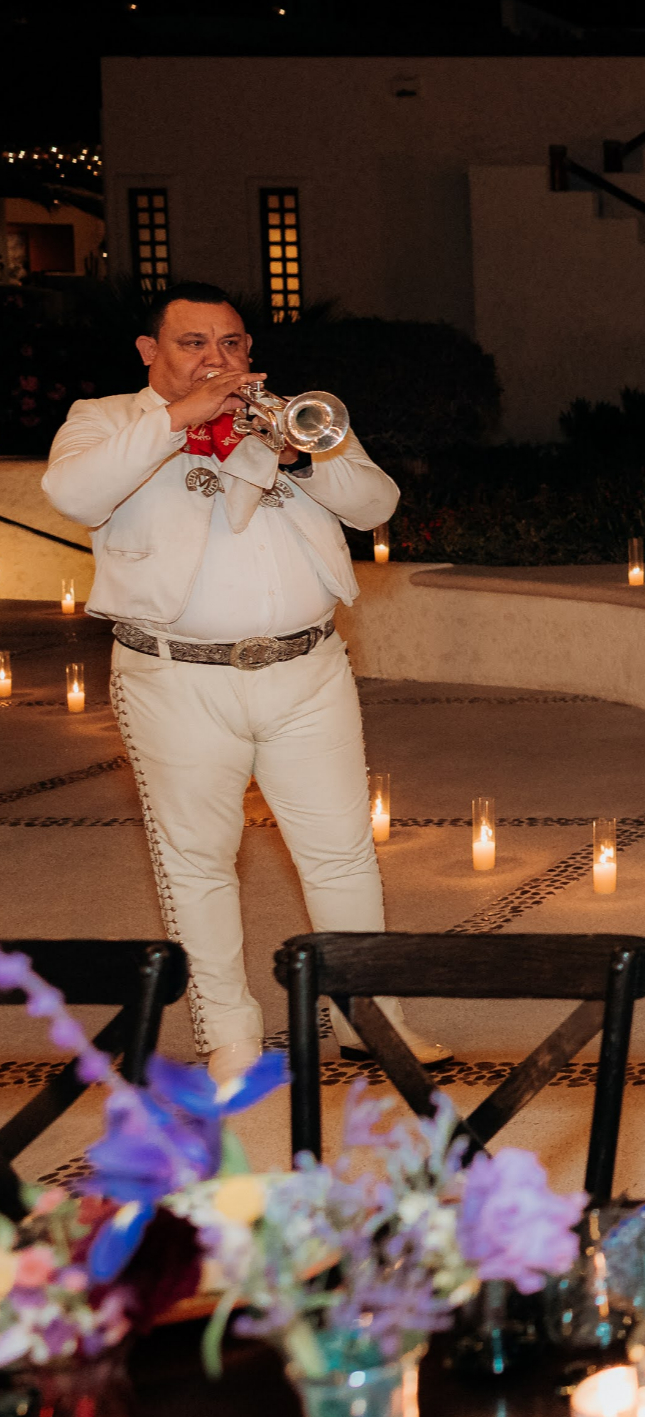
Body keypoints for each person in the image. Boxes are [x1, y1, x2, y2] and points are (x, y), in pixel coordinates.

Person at [44, 283, 446, 1088]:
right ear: (149, 351)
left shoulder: (296, 415)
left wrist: (304, 458)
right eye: (193, 343)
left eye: (230, 343)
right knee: (197, 860)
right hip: (174, 676)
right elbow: (73, 494)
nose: (216, 358)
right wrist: (181, 418)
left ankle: (368, 1019)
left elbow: (377, 504)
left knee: (342, 854)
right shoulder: (107, 420)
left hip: (308, 669)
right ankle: (229, 1034)